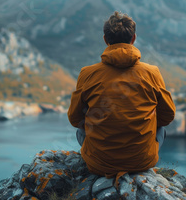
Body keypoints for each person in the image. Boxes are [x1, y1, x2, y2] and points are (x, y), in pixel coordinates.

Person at [67, 11, 176, 186]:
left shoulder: (87, 73)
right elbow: (168, 116)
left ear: (105, 39)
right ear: (133, 38)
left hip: (98, 164)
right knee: (161, 129)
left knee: (81, 130)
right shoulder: (152, 73)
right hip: (142, 162)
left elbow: (74, 119)